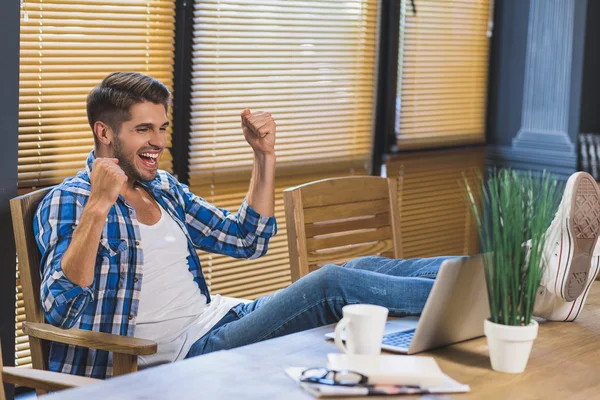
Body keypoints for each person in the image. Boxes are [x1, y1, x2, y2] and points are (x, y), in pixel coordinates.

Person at [34, 72, 600, 379]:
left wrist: (264, 157)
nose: (158, 142)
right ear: (105, 134)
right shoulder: (68, 202)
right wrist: (98, 209)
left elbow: (248, 240)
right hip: (178, 355)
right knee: (332, 284)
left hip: (222, 318)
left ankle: (522, 273)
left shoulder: (164, 188)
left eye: (162, 128)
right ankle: (524, 289)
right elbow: (58, 309)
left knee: (366, 268)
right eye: (143, 131)